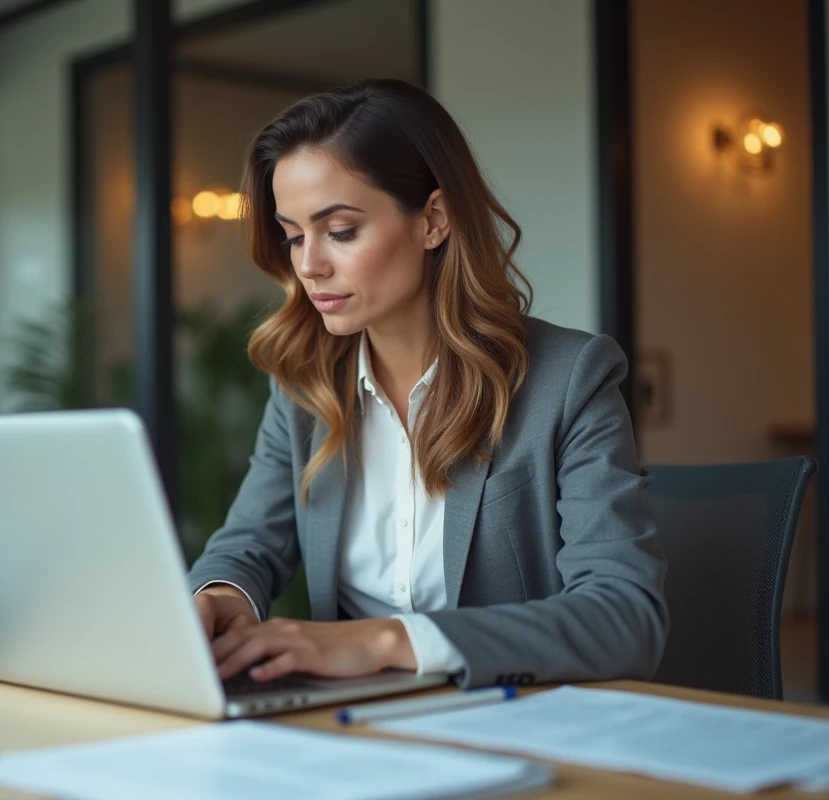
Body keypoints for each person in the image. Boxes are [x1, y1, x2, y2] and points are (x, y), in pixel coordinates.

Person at [189, 78, 667, 689]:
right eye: (292, 235)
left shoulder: (569, 379)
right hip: (348, 723)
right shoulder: (304, 384)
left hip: (510, 714)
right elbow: (249, 542)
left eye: (339, 231)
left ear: (433, 220)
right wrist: (222, 597)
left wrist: (387, 639)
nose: (308, 265)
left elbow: (627, 619)